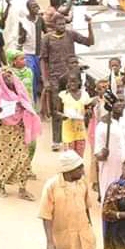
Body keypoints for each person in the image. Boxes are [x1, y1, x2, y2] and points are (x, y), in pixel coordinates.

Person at [41, 13, 94, 151]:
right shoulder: (47, 39)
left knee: (75, 106)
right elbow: (43, 59)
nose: (62, 27)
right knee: (56, 109)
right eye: (59, 24)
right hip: (55, 78)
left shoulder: (70, 35)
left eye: (63, 24)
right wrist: (45, 79)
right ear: (53, 25)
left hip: (72, 77)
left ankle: (75, 136)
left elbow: (89, 42)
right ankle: (56, 140)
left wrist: (89, 25)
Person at [39, 151, 96, 249]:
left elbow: (86, 206)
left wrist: (90, 226)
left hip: (83, 233)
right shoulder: (51, 186)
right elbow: (46, 215)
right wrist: (49, 242)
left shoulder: (82, 182)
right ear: (69, 170)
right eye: (79, 168)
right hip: (61, 238)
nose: (82, 171)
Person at [0, 67, 41, 200]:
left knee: (23, 159)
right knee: (3, 160)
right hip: (4, 133)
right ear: (0, 80)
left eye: (10, 76)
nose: (9, 79)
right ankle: (1, 185)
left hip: (19, 130)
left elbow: (29, 106)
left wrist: (25, 110)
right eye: (5, 77)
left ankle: (22, 189)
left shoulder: (20, 91)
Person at [58, 71, 94, 158]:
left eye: (74, 81)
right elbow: (57, 111)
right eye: (70, 81)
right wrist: (62, 116)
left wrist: (87, 113)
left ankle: (79, 171)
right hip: (68, 131)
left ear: (79, 82)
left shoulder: (85, 95)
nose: (72, 83)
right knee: (70, 158)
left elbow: (88, 109)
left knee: (80, 156)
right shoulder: (63, 95)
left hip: (80, 131)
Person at [18, 0, 44, 102]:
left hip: (38, 53)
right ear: (28, 9)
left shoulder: (40, 20)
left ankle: (38, 96)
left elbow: (46, 32)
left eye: (37, 6)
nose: (37, 8)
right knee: (31, 76)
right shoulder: (23, 22)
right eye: (34, 7)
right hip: (28, 53)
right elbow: (20, 40)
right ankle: (32, 100)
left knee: (38, 76)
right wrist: (23, 35)